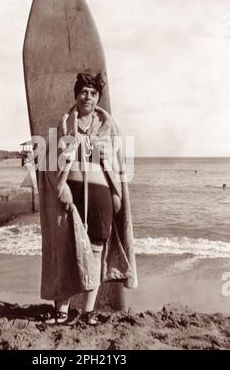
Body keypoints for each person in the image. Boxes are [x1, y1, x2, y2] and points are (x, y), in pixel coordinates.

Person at [39, 71, 137, 325]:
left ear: (98, 98)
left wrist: (116, 193)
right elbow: (49, 163)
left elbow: (118, 164)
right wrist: (62, 189)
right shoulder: (62, 125)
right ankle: (61, 311)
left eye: (93, 94)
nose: (88, 97)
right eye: (84, 92)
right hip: (71, 195)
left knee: (96, 252)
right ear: (76, 95)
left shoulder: (108, 126)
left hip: (100, 196)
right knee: (66, 249)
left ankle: (88, 312)